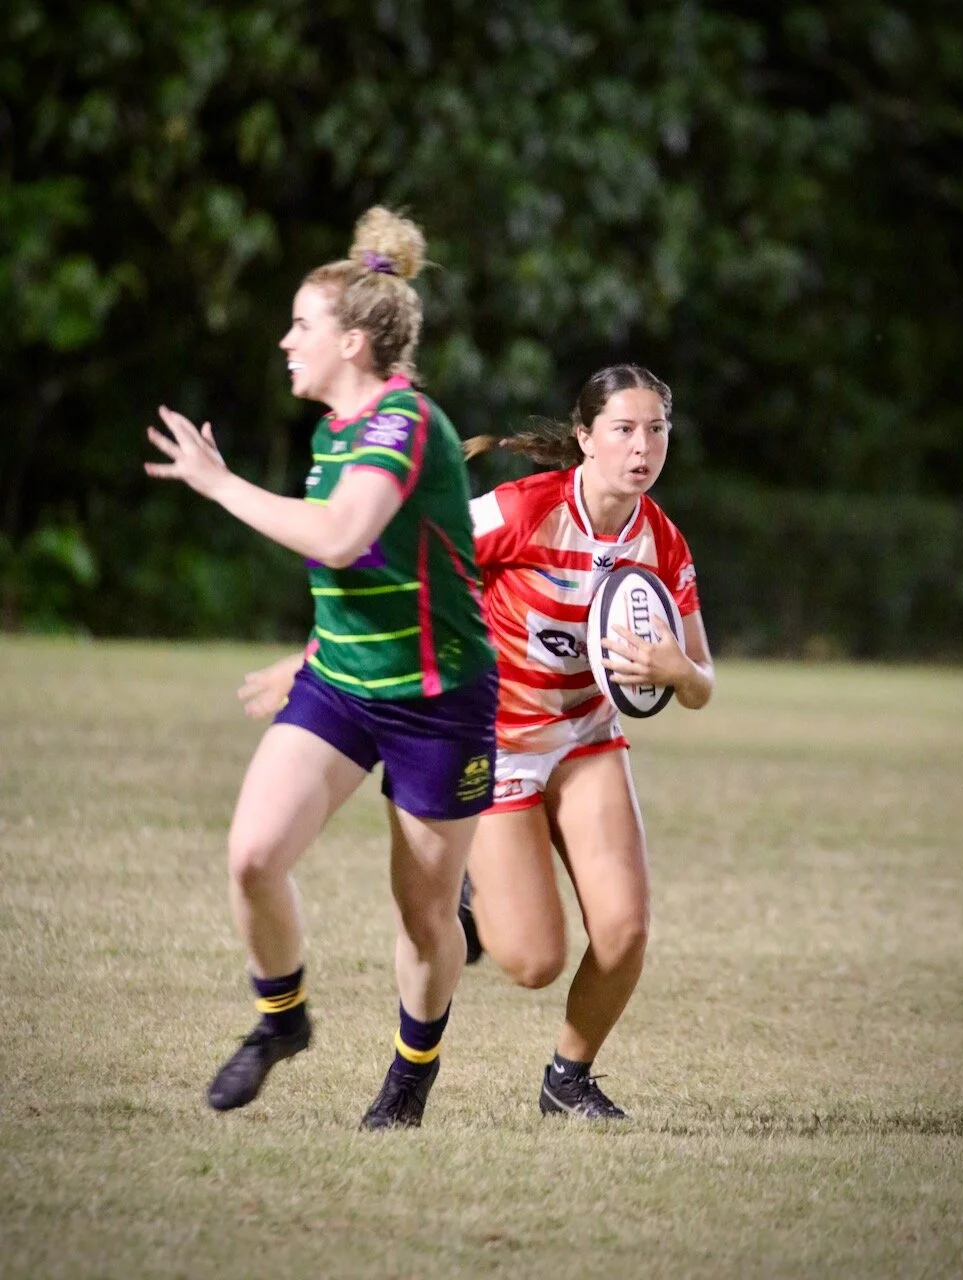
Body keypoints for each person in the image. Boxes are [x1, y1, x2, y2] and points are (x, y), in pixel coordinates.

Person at [243, 362, 714, 1120]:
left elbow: (703, 682)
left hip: (587, 738)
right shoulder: (524, 510)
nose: (642, 447)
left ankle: (569, 1079)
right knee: (532, 961)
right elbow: (412, 571)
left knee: (625, 932)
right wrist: (309, 658)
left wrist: (676, 668)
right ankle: (472, 892)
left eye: (656, 430)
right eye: (623, 429)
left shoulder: (662, 542)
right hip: (494, 737)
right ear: (585, 437)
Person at [145, 206, 498, 1130]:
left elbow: (344, 538)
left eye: (300, 325)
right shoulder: (335, 435)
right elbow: (381, 574)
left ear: (350, 340)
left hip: (438, 704)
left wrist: (220, 484)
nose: (284, 340)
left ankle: (408, 1082)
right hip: (341, 687)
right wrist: (303, 657)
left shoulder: (404, 422)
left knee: (424, 917)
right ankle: (282, 1017)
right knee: (253, 854)